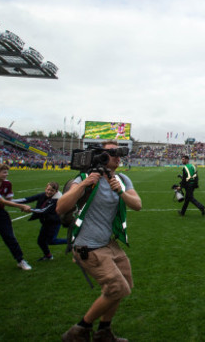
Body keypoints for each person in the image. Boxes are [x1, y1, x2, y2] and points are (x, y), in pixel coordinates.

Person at [56, 141, 142, 342]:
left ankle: (104, 331)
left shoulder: (121, 178)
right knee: (117, 288)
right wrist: (85, 184)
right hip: (89, 246)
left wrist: (120, 191)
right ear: (100, 156)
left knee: (125, 285)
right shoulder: (85, 177)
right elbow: (61, 207)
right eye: (112, 153)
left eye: (119, 153)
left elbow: (137, 205)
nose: (118, 157)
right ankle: (79, 330)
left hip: (109, 244)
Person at [0, 163, 33, 270]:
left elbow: (9, 200)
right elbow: (1, 201)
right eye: (4, 172)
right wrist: (21, 206)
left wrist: (25, 203)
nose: (6, 174)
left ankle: (20, 260)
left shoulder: (7, 184)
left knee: (9, 236)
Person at [15, 181, 67, 261]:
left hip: (54, 223)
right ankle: (48, 256)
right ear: (46, 188)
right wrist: (10, 201)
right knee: (41, 241)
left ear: (56, 191)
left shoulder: (56, 200)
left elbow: (43, 210)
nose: (49, 192)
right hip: (46, 222)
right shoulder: (43, 195)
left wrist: (30, 209)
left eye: (51, 191)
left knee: (51, 241)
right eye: (48, 189)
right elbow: (27, 199)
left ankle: (72, 241)